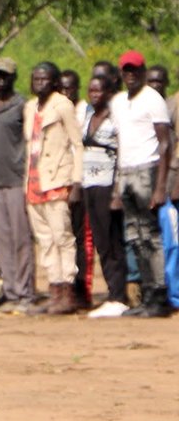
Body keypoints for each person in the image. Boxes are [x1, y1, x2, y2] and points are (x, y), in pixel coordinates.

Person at [110, 50, 172, 317]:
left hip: (147, 170)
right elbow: (118, 144)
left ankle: (158, 296)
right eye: (126, 70)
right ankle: (146, 295)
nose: (131, 75)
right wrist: (116, 186)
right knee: (134, 236)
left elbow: (165, 141)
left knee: (151, 236)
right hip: (126, 171)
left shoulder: (153, 99)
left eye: (135, 70)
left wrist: (160, 187)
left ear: (144, 71)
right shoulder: (118, 102)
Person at [23, 62, 82, 315]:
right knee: (45, 240)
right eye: (36, 78)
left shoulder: (63, 106)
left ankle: (68, 290)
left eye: (45, 79)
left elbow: (77, 145)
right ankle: (54, 290)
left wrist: (76, 181)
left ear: (55, 82)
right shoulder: (29, 107)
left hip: (57, 179)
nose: (39, 83)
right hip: (34, 182)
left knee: (62, 237)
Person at [0, 59, 35, 312]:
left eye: (5, 76)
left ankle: (25, 291)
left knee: (21, 238)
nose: (1, 81)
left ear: (14, 78)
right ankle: (11, 292)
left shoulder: (22, 106)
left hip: (17, 180)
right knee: (1, 238)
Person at [81, 70, 132, 317]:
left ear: (109, 93)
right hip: (89, 184)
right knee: (100, 241)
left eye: (98, 90)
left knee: (112, 240)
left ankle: (118, 295)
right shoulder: (88, 116)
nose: (94, 95)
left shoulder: (115, 119)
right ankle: (112, 293)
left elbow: (122, 154)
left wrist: (117, 191)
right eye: (91, 90)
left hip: (107, 184)